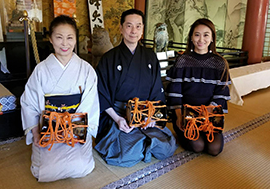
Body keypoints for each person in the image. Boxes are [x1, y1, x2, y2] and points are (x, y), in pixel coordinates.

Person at [94, 9, 177, 167]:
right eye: (129, 26)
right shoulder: (108, 58)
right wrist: (118, 119)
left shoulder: (150, 57)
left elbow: (157, 90)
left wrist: (152, 117)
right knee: (126, 156)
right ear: (121, 28)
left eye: (138, 26)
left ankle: (142, 142)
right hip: (118, 115)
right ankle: (142, 144)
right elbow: (101, 93)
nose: (134, 31)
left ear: (142, 29)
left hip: (145, 114)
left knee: (167, 149)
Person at [21, 15, 99, 182]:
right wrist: (35, 130)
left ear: (76, 39)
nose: (65, 43)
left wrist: (78, 130)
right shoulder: (41, 70)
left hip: (75, 130)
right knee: (44, 171)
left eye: (70, 38)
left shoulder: (86, 70)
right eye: (59, 37)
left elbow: (90, 102)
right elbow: (29, 102)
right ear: (50, 39)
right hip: (49, 130)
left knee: (82, 167)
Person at [166, 18, 231, 156]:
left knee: (214, 149)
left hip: (209, 115)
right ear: (191, 37)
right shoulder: (182, 61)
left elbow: (222, 94)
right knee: (198, 146)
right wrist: (178, 116)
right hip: (186, 115)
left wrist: (207, 112)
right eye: (197, 34)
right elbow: (174, 92)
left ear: (212, 38)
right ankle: (182, 133)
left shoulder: (220, 63)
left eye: (206, 35)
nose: (201, 39)